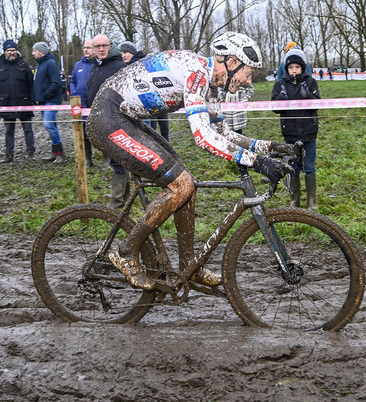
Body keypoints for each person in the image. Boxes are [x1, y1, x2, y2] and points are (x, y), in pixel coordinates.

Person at [86, 31, 294, 290]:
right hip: (108, 119)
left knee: (188, 187)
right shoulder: (197, 74)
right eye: (248, 74)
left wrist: (271, 147)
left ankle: (188, 267)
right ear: (231, 63)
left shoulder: (211, 85)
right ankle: (126, 252)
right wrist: (258, 163)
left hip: (126, 119)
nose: (247, 82)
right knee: (181, 184)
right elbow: (203, 138)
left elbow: (223, 133)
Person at [271, 46, 320, 210]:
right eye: (291, 67)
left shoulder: (311, 82)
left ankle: (312, 202)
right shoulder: (280, 84)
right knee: (293, 168)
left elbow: (318, 104)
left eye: (297, 67)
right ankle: (295, 200)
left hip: (309, 133)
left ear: (303, 67)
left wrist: (310, 97)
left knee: (309, 166)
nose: (294, 70)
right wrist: (280, 100)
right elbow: (274, 108)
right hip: (290, 133)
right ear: (286, 68)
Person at [86, 34, 127, 208]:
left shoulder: (119, 66)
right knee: (117, 158)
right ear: (93, 49)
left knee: (118, 158)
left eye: (105, 46)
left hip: (116, 118)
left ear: (111, 46)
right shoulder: (95, 66)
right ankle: (123, 194)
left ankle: (116, 201)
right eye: (98, 46)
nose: (101, 49)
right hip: (101, 118)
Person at [0, 39, 36, 163]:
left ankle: (31, 153)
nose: (12, 53)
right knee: (9, 131)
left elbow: (32, 84)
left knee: (28, 129)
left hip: (24, 103)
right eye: (9, 50)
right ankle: (9, 154)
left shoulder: (24, 65)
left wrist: (32, 99)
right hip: (6, 104)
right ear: (4, 51)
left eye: (14, 50)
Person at [32, 42, 66, 164]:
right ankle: (56, 153)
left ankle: (60, 154)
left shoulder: (50, 64)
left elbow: (56, 83)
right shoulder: (39, 65)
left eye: (34, 50)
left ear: (42, 52)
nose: (32, 53)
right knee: (52, 126)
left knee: (49, 125)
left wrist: (45, 95)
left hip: (51, 100)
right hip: (43, 101)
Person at [69, 39, 96, 167]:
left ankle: (107, 158)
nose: (86, 50)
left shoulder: (98, 65)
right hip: (80, 104)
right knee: (83, 133)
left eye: (89, 47)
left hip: (95, 104)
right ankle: (88, 158)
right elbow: (72, 80)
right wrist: (74, 92)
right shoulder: (78, 65)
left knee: (100, 131)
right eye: (84, 47)